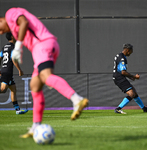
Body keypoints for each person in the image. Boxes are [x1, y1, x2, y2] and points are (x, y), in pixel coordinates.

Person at [0, 7, 89, 138]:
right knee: (35, 85)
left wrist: (18, 47)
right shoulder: (13, 29)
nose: (1, 32)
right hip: (43, 47)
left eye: (0, 29)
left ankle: (77, 99)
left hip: (43, 45)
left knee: (46, 76)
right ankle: (35, 126)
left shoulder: (10, 13)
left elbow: (24, 22)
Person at [113, 43, 147, 114]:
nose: (131, 52)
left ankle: (144, 108)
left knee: (134, 92)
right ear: (128, 50)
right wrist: (134, 76)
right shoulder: (122, 58)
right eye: (131, 51)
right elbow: (123, 72)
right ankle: (118, 109)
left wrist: (130, 77)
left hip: (118, 77)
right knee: (131, 94)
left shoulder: (119, 55)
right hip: (119, 78)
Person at [0, 32, 28, 115]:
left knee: (13, 89)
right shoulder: (13, 47)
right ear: (12, 37)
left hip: (4, 70)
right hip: (8, 71)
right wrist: (20, 70)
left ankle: (17, 110)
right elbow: (13, 59)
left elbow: (0, 58)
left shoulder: (4, 47)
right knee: (3, 90)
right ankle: (17, 110)